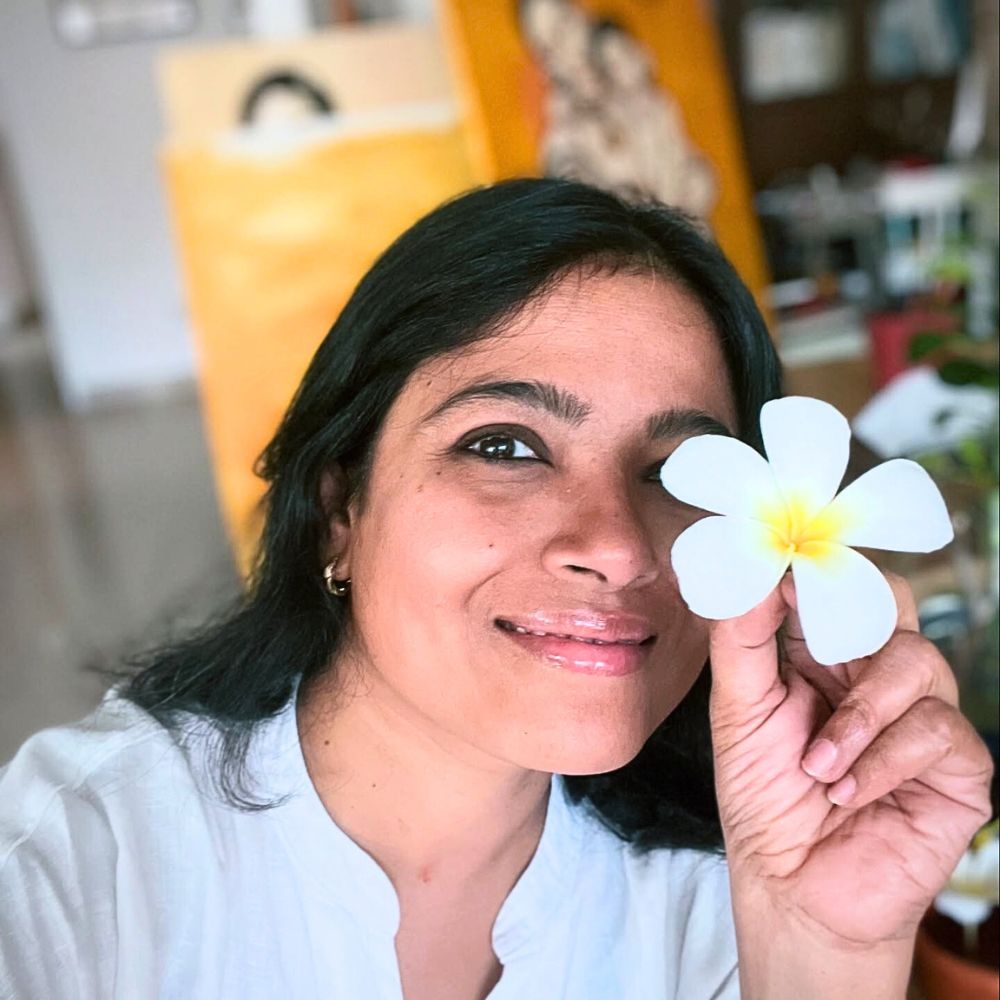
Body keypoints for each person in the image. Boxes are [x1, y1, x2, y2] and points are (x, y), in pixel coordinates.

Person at [0, 179, 993, 1000]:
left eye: (675, 472)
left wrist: (823, 955)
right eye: (506, 445)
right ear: (340, 504)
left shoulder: (732, 886)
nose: (613, 547)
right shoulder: (84, 863)